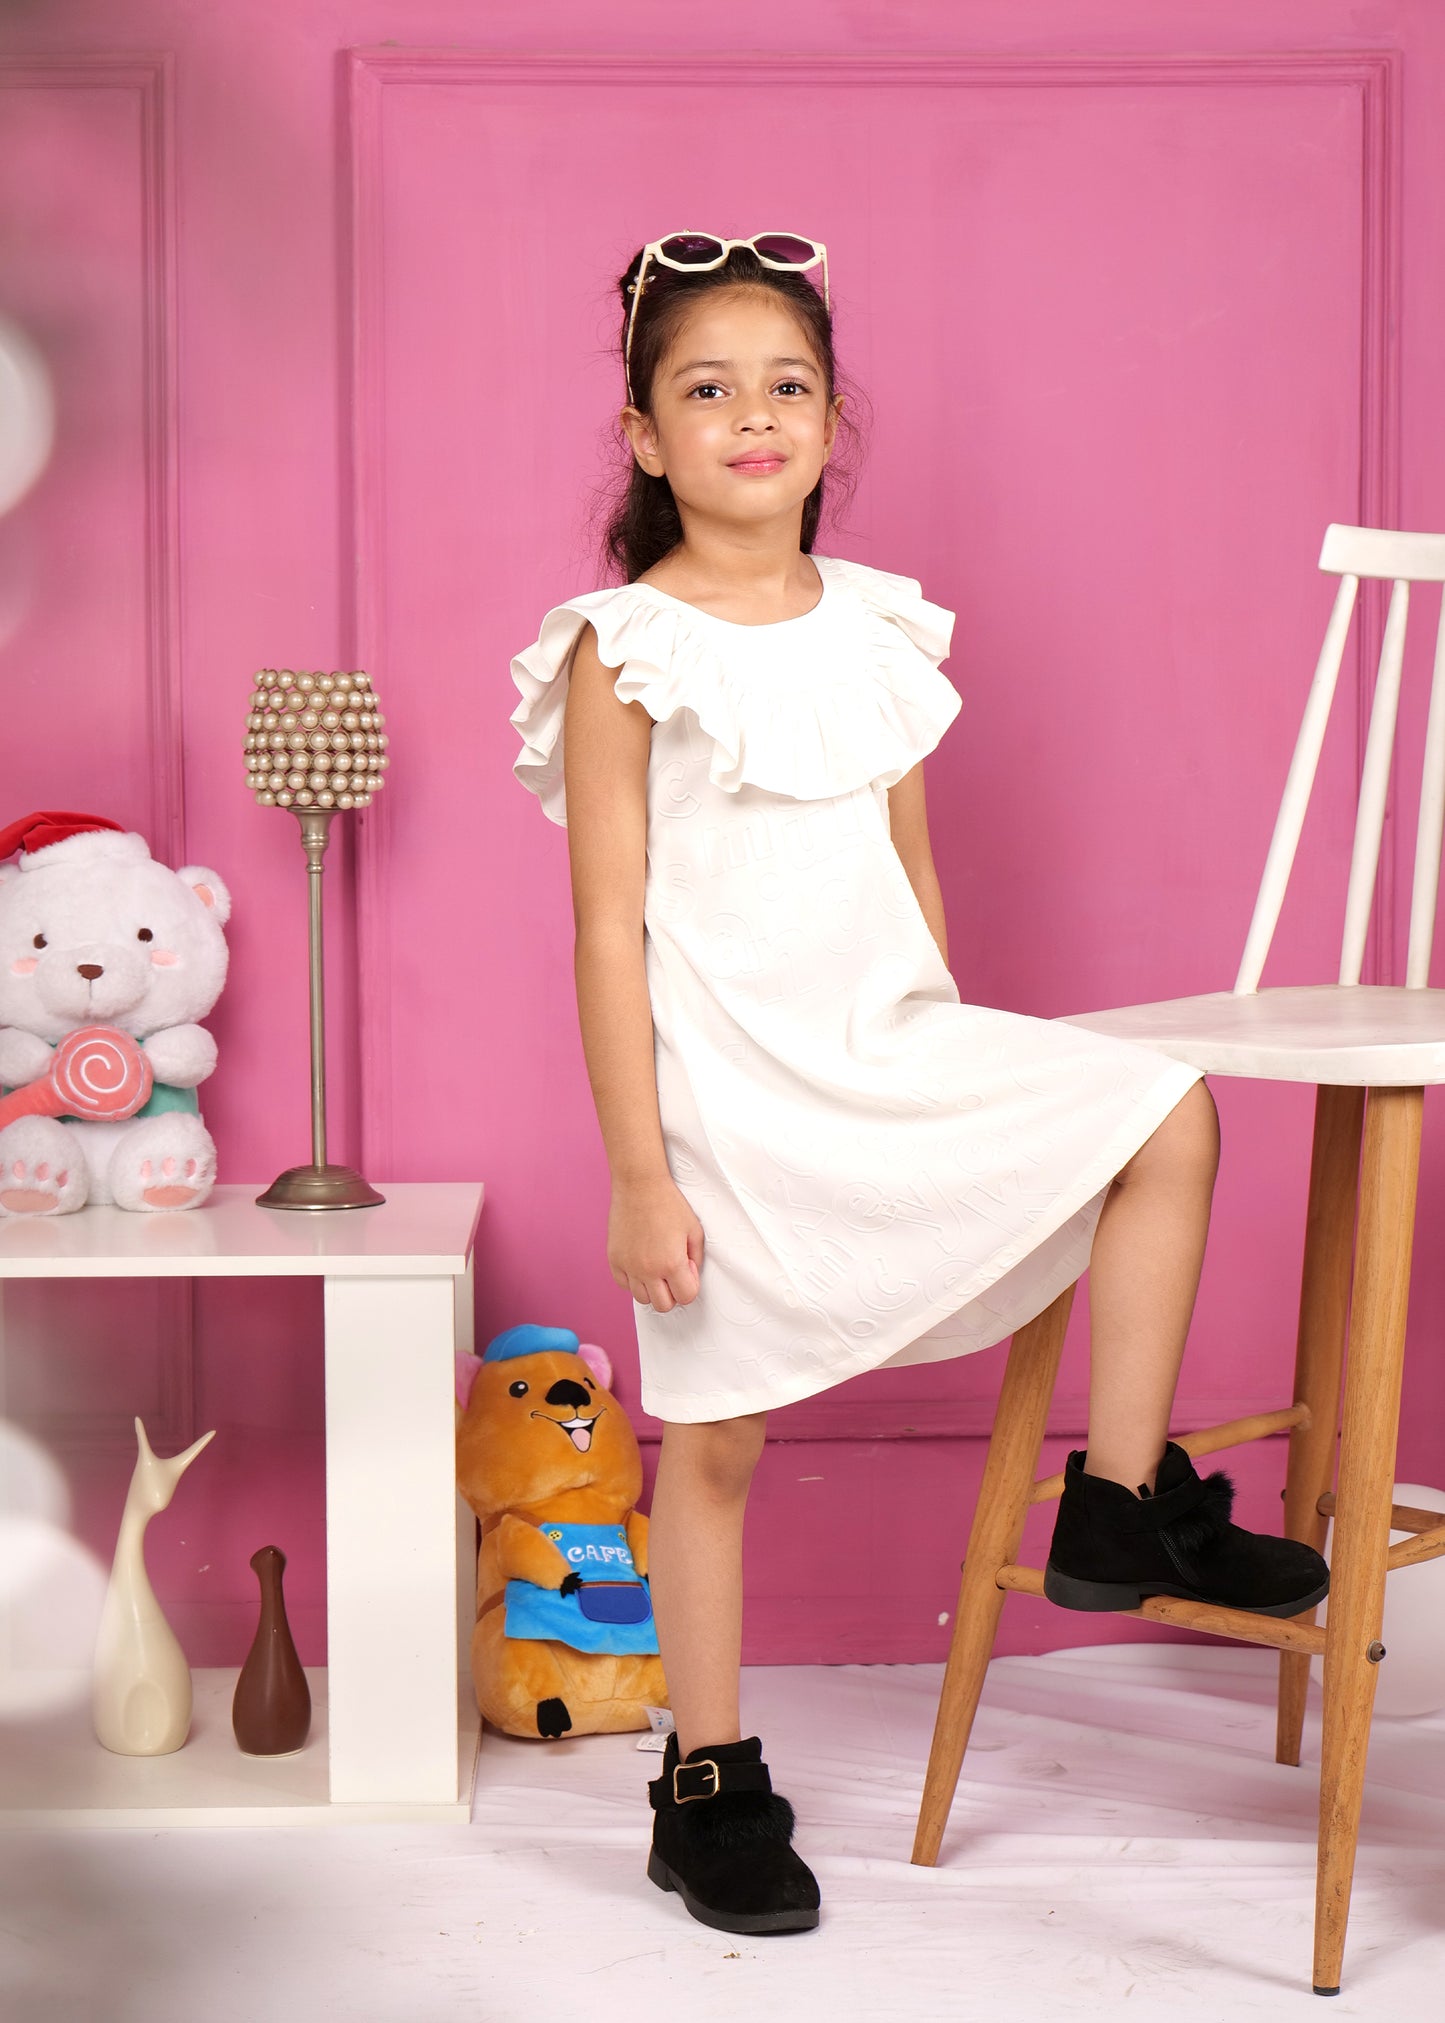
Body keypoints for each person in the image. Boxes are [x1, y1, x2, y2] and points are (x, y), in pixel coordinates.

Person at [507, 230, 1328, 1939]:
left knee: (1163, 1110)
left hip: (888, 1046)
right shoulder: (619, 646)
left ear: (827, 424)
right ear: (647, 438)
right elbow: (603, 931)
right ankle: (708, 1785)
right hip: (727, 1093)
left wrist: (940, 1057)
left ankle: (1117, 1506)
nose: (753, 415)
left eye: (786, 385)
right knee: (716, 1447)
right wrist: (640, 1172)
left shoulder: (875, 621)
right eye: (706, 389)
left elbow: (909, 865)